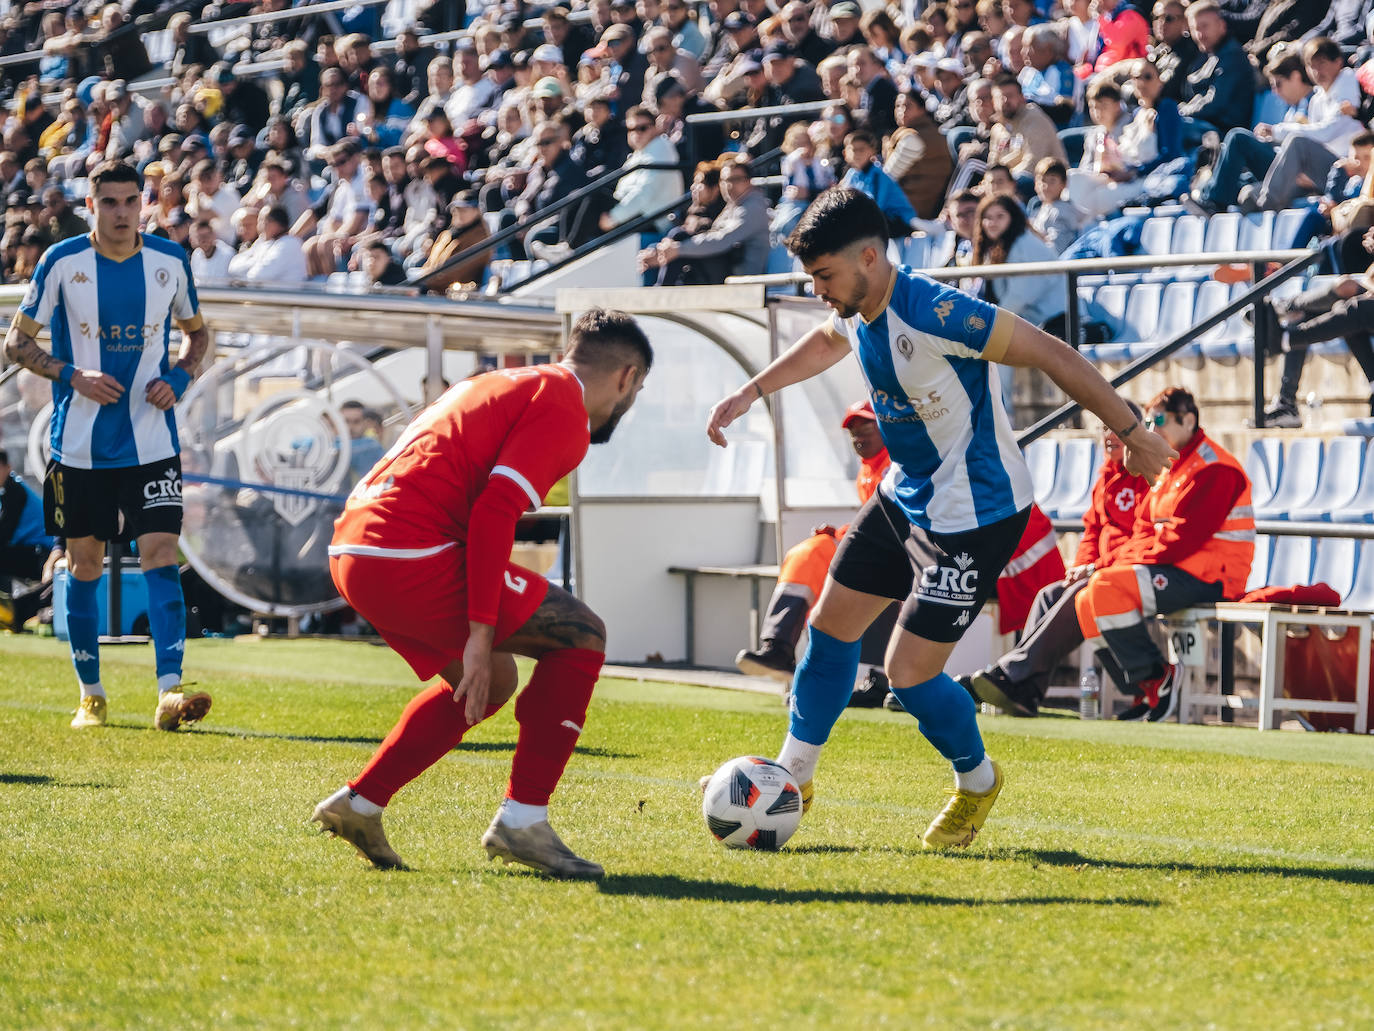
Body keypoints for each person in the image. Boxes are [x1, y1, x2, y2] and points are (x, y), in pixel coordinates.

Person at [704, 187, 1173, 849]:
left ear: (869, 257)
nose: (818, 291)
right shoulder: (854, 301)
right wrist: (751, 391)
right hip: (907, 496)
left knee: (908, 674)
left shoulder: (936, 311)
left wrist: (1130, 429)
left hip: (975, 515)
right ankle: (796, 775)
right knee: (830, 626)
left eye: (825, 276)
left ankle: (978, 780)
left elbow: (1053, 353)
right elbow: (825, 339)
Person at [313, 309, 652, 878]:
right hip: (406, 551)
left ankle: (360, 804)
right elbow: (496, 509)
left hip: (354, 549)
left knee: (492, 681)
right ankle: (523, 820)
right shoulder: (564, 408)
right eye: (636, 391)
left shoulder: (500, 381)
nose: (629, 405)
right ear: (626, 376)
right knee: (582, 634)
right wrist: (480, 629)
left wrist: (483, 636)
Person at [1, 160, 211, 731]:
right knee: (83, 563)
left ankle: (171, 690)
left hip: (151, 439)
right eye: (110, 202)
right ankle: (90, 694)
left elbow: (198, 335)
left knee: (162, 553)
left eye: (130, 201)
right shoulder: (61, 261)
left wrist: (181, 378)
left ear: (142, 203)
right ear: (90, 206)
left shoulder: (170, 261)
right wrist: (73, 376)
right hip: (80, 447)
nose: (121, 212)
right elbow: (17, 343)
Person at [992, 388, 1252, 721]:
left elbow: (1178, 542)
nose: (1151, 429)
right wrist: (1094, 565)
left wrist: (1099, 567)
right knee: (1087, 599)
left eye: (1158, 420)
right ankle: (1147, 688)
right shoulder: (1170, 467)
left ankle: (1155, 677)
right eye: (1147, 422)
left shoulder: (1214, 468)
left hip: (1210, 577)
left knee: (1100, 589)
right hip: (1178, 569)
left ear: (1188, 420)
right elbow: (1141, 533)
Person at [964, 405, 1150, 716]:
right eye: (1104, 427)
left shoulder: (1147, 473)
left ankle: (1011, 672)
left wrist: (1095, 569)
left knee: (1081, 594)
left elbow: (1142, 539)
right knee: (1049, 594)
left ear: (1137, 431)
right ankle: (1026, 693)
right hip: (1102, 571)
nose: (1109, 435)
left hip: (1130, 572)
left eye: (1116, 428)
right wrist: (1082, 567)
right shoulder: (1106, 475)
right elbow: (1092, 532)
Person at [734, 399, 891, 686]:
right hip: (875, 552)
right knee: (808, 553)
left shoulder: (896, 464)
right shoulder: (867, 471)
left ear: (885, 425)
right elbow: (874, 520)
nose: (859, 436)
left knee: (820, 555)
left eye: (866, 426)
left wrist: (843, 535)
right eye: (853, 430)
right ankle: (779, 647)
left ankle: (809, 667)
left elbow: (890, 524)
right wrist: (840, 533)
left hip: (906, 558)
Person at [637, 156, 770, 285]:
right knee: (676, 237)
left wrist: (679, 249)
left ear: (749, 181)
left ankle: (662, 293)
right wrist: (661, 250)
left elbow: (722, 240)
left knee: (679, 240)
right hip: (727, 265)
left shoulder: (752, 207)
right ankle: (661, 289)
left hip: (741, 275)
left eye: (735, 179)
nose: (729, 185)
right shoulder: (734, 203)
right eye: (724, 180)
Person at [0, 447, 57, 630]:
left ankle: (11, 611)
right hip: (29, 551)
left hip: (44, 554)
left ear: (7, 467)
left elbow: (4, 533)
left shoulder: (15, 491)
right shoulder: (6, 491)